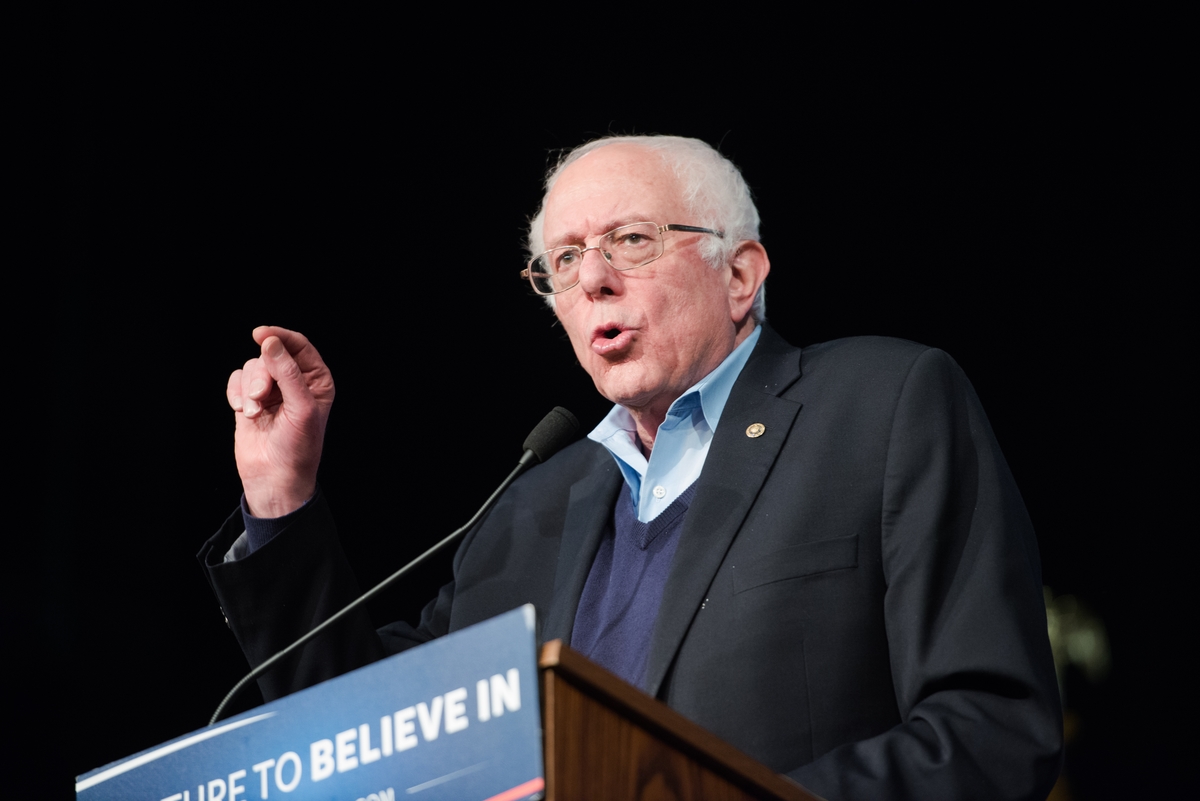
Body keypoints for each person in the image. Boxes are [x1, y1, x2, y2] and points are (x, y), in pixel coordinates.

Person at [202, 135, 1063, 800]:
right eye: (565, 260)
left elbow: (991, 726)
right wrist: (281, 495)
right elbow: (370, 736)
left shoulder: (881, 404)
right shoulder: (529, 505)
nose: (595, 280)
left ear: (740, 274)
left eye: (632, 240)